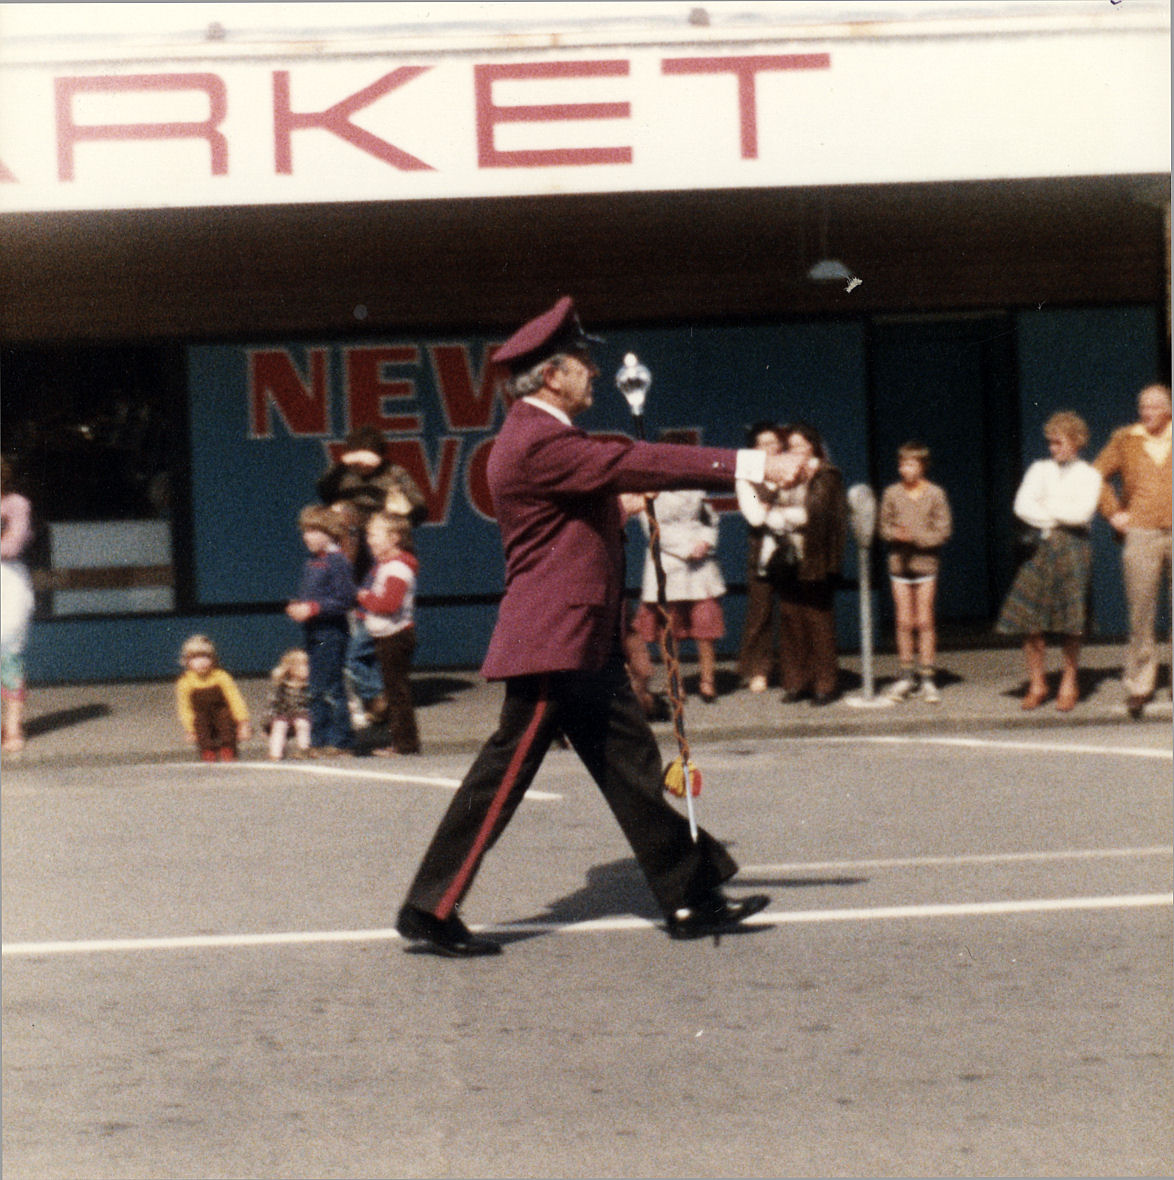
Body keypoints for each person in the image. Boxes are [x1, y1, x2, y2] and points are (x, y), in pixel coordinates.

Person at [395, 296, 801, 957]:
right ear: (553, 374)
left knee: (631, 769)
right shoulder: (538, 438)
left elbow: (563, 527)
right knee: (502, 776)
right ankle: (430, 907)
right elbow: (630, 461)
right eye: (584, 362)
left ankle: (692, 898)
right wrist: (752, 465)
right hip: (554, 640)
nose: (594, 372)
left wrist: (613, 509)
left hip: (575, 636)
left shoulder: (534, 438)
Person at [316, 425, 427, 727]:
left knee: (386, 627)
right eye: (357, 459)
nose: (362, 466)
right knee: (355, 626)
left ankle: (383, 694)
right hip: (353, 553)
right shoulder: (343, 473)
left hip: (385, 551)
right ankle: (368, 695)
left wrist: (402, 509)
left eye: (369, 459)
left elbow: (419, 509)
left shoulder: (395, 473)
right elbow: (323, 490)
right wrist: (342, 465)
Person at [995, 412, 1102, 712]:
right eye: (1050, 442)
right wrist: (1056, 514)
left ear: (1076, 441)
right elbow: (1021, 506)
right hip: (1041, 547)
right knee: (1031, 620)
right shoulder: (1039, 469)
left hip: (1074, 546)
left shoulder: (1090, 475)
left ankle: (1069, 681)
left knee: (1071, 622)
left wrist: (1047, 507)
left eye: (1059, 442)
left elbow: (1081, 515)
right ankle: (1037, 682)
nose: (1053, 448)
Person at [628, 430, 727, 703]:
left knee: (705, 628)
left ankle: (708, 681)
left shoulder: (697, 485)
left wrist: (705, 542)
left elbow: (710, 519)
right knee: (669, 631)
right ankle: (676, 684)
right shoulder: (649, 487)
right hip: (667, 565)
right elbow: (650, 528)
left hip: (700, 568)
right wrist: (686, 549)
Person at [1093, 383, 1172, 719]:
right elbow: (1096, 474)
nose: (1147, 412)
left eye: (1154, 406)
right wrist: (1114, 512)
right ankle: (1140, 684)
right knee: (1141, 612)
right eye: (1142, 406)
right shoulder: (1127, 438)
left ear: (1167, 409)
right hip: (1141, 532)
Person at [764, 423, 847, 706]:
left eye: (802, 445)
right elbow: (769, 508)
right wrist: (783, 488)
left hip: (815, 556)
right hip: (788, 557)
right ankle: (796, 681)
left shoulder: (826, 474)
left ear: (813, 446)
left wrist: (787, 516)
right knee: (790, 617)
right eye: (792, 446)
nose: (796, 451)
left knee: (817, 619)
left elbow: (819, 512)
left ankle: (825, 683)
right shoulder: (790, 475)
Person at [878, 442, 953, 703]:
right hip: (899, 565)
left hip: (925, 565)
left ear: (922, 466)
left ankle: (927, 677)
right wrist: (894, 535)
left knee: (924, 620)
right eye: (902, 463)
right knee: (903, 621)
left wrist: (916, 537)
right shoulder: (891, 493)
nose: (905, 469)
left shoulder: (935, 494)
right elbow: (883, 527)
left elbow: (943, 531)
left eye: (910, 464)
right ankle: (906, 674)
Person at [286, 504, 357, 755]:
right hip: (314, 632)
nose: (307, 536)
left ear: (330, 532)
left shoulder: (337, 561)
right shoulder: (313, 562)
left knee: (330, 687)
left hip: (331, 632)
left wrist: (313, 608)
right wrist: (299, 606)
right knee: (316, 686)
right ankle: (318, 741)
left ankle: (339, 741)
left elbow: (346, 599)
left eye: (314, 530)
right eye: (305, 531)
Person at [356, 511, 421, 756]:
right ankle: (401, 742)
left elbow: (388, 604)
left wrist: (365, 598)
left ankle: (405, 745)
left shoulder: (396, 568)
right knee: (395, 691)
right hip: (387, 635)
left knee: (398, 693)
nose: (368, 540)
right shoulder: (386, 566)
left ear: (394, 537)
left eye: (374, 534)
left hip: (395, 637)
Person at [735, 421, 785, 692]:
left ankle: (793, 669)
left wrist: (769, 506)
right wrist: (775, 497)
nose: (770, 448)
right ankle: (757, 670)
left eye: (774, 442)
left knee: (793, 610)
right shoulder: (747, 477)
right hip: (761, 549)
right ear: (753, 449)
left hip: (792, 547)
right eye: (763, 443)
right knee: (760, 611)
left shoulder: (794, 471)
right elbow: (755, 516)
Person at [1, 457, 34, 755]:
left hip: (7, 581)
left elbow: (12, 545)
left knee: (8, 655)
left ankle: (12, 726)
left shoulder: (16, 504)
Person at [175, 634, 252, 762]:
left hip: (220, 714)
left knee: (225, 715)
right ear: (187, 661)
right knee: (199, 719)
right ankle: (207, 750)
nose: (202, 662)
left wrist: (243, 723)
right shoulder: (185, 682)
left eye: (206, 657)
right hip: (202, 717)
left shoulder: (221, 676)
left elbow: (235, 700)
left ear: (213, 659)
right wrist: (190, 730)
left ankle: (228, 748)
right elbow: (185, 708)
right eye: (195, 658)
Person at [264, 648, 311, 760]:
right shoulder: (281, 687)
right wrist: (266, 724)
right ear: (291, 669)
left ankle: (303, 750)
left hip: (304, 716)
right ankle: (275, 753)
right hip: (284, 715)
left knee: (302, 723)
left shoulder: (310, 687)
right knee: (279, 725)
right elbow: (272, 705)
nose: (307, 669)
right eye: (302, 666)